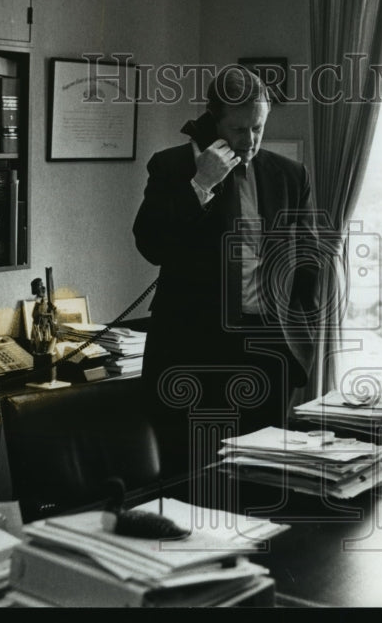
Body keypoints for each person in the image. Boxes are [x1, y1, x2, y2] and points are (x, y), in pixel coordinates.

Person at [132, 65, 320, 477]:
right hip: (193, 354)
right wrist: (200, 186)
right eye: (238, 129)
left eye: (258, 128)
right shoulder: (171, 167)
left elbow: (307, 264)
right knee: (192, 478)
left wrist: (299, 345)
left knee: (265, 480)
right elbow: (151, 245)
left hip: (268, 356)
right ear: (213, 121)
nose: (249, 141)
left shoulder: (290, 175)